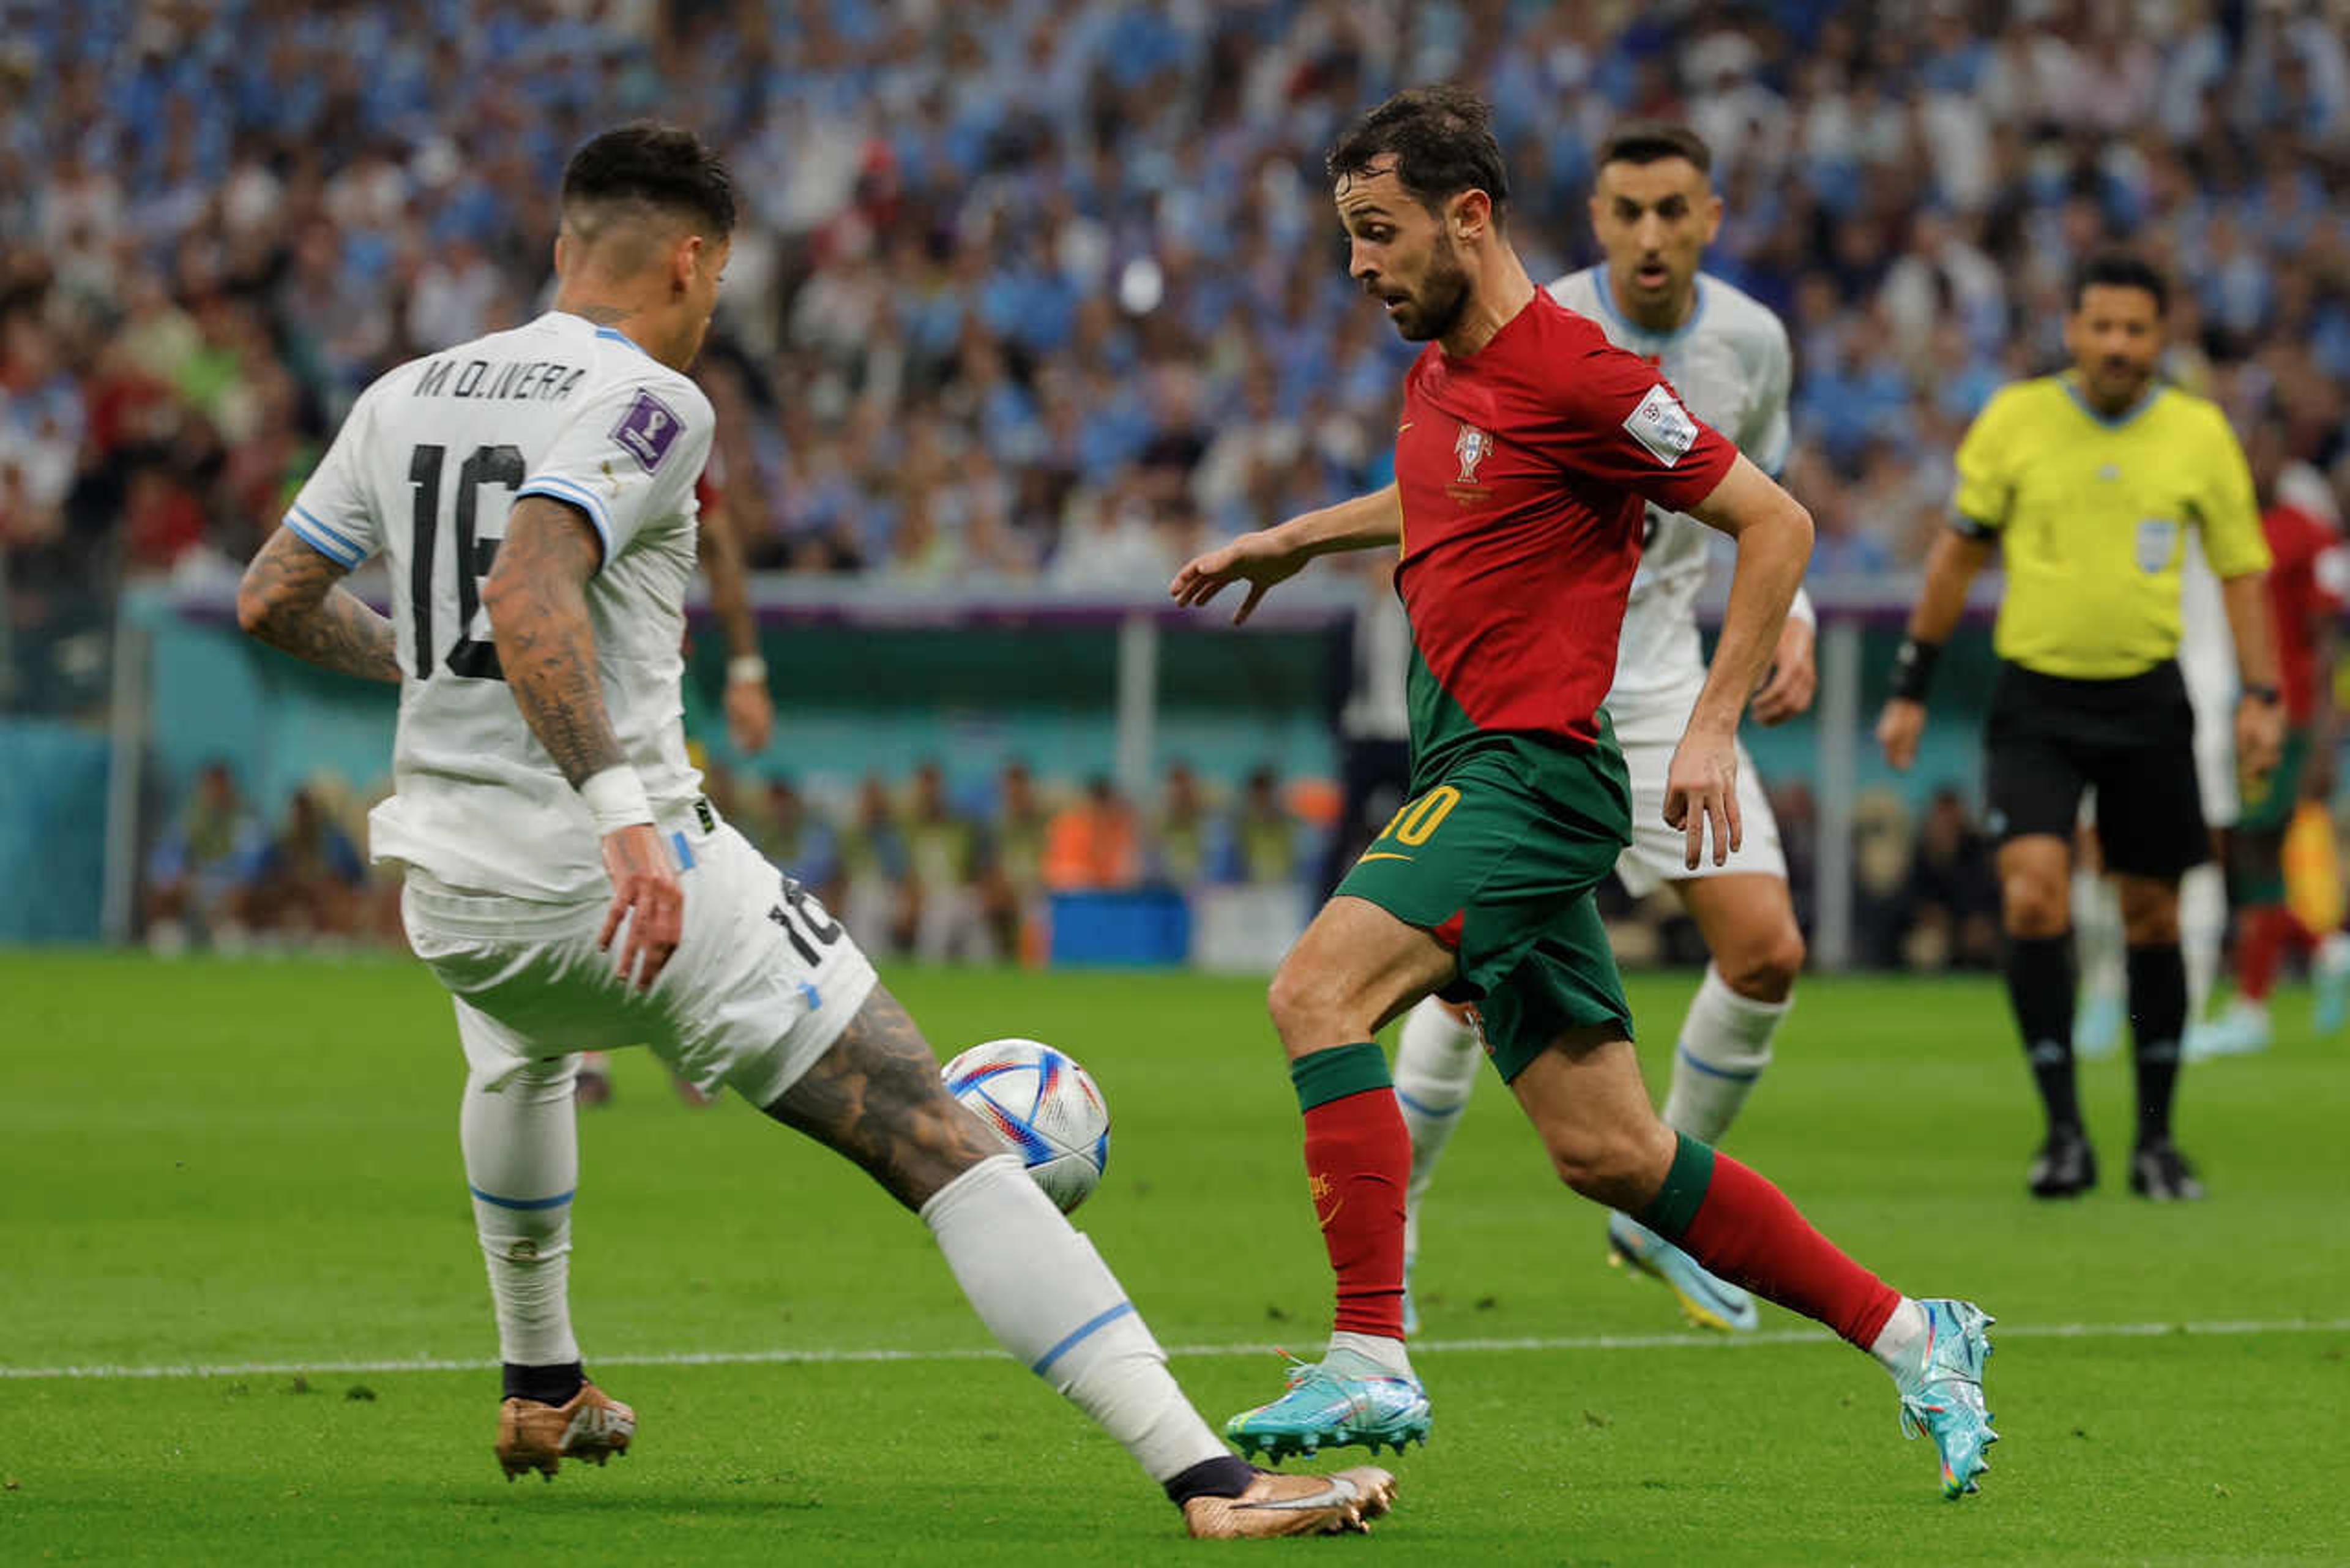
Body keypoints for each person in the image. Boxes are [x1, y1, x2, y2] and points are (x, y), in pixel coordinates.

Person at [233, 121, 1392, 1539]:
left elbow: (272, 597)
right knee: (938, 1136)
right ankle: (1209, 1478)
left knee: (523, 1044)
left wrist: (426, 676)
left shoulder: (405, 391)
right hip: (634, 890)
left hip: (454, 895)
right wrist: (621, 817)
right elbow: (530, 592)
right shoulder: (653, 400)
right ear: (692, 257)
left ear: (560, 245)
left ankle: (542, 1380)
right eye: (717, 280)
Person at [1171, 88, 1995, 1500]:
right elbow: (1438, 496)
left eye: (1377, 234)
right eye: (1348, 238)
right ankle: (1916, 1334)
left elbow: (1773, 520)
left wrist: (1712, 722)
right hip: (1475, 767)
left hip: (1529, 772)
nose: (1358, 266)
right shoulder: (1441, 371)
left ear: (1467, 216)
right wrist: (1297, 538)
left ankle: (1370, 1348)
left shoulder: (1585, 375)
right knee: (1611, 1151)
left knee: (1315, 991)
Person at [1388, 122, 1815, 1339]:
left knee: (1767, 952)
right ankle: (1395, 1237)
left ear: (1711, 218)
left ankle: (1652, 1208)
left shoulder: (1751, 341)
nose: (1650, 235)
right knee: (1463, 976)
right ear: (1593, 217)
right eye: (1628, 210)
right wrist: (1306, 535)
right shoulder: (1525, 326)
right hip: (1535, 690)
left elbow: (1760, 494)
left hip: (1669, 684)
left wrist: (1796, 622)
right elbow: (1438, 483)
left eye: (1674, 210)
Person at [1876, 252, 2282, 1203]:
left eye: (2135, 329)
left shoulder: (2197, 432)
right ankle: (2062, 1132)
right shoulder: (2016, 420)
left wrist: (2260, 697)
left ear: (2160, 336)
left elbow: (2242, 574)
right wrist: (1910, 685)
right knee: (2032, 899)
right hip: (2037, 702)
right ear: (2073, 330)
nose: (2115, 345)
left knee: (2151, 914)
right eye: (2099, 326)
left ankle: (2155, 1138)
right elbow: (1954, 558)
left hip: (2148, 700)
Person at [2190, 427, 2350, 1057]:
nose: (2252, 462)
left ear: (2283, 458)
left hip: (2289, 716)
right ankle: (2330, 950)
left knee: (2257, 848)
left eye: (2262, 450)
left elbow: (2325, 638)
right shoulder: (2222, 530)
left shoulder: (2306, 531)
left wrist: (2322, 736)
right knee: (2249, 850)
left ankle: (2253, 1006)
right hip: (2232, 711)